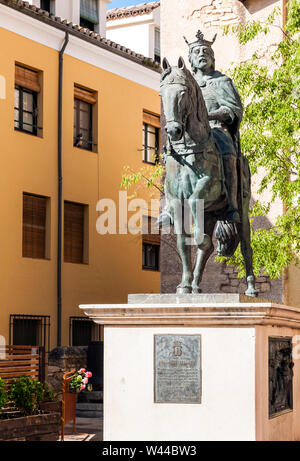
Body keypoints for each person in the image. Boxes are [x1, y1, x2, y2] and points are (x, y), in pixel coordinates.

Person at [185, 30, 243, 223]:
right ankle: (171, 205)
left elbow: (232, 109)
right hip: (191, 132)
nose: (201, 54)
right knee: (171, 154)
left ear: (212, 58)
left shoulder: (222, 81)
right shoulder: (186, 84)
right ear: (191, 60)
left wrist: (208, 115)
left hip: (217, 129)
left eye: (205, 51)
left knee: (227, 151)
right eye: (197, 52)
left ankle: (232, 205)